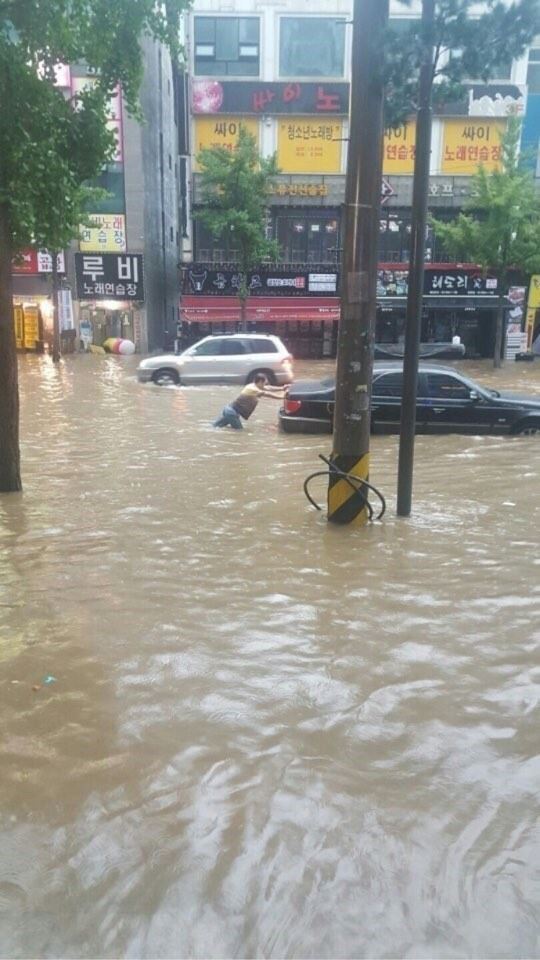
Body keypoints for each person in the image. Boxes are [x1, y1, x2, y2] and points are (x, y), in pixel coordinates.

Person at [213, 374, 286, 429]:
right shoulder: (253, 389)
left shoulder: (253, 385)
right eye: (264, 383)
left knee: (215, 427)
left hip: (229, 410)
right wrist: (282, 397)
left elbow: (268, 388)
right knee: (239, 432)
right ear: (260, 381)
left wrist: (282, 388)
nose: (265, 385)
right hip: (232, 413)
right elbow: (267, 394)